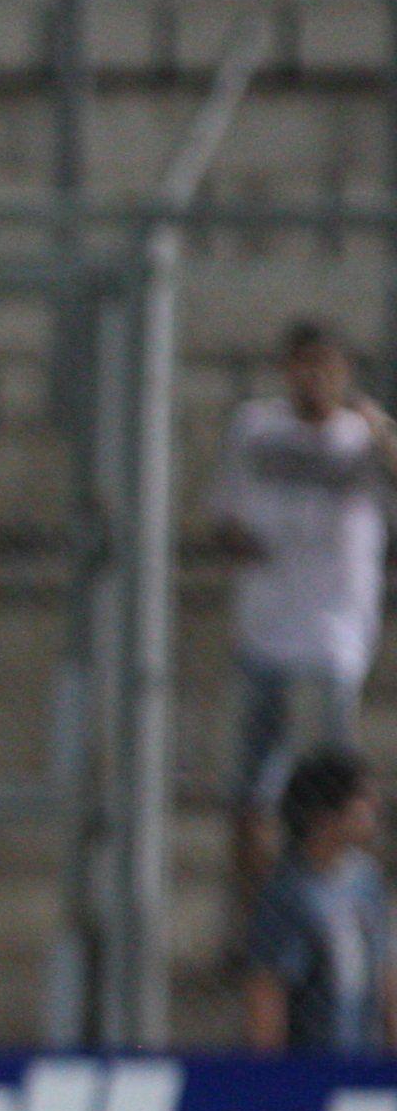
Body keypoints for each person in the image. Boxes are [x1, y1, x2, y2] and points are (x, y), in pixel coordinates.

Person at [214, 320, 397, 904]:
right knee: (251, 789)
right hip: (266, 629)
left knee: (335, 788)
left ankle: (346, 908)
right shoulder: (256, 429)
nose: (314, 376)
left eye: (326, 364)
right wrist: (245, 541)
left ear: (344, 373)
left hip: (333, 635)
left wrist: (385, 438)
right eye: (302, 363)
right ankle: (258, 913)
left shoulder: (362, 439)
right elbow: (225, 513)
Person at [241, 747, 393, 1057]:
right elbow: (269, 992)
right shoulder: (289, 894)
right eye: (361, 800)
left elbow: (385, 976)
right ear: (323, 817)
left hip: (363, 1057)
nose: (373, 808)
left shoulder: (367, 881)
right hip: (311, 1061)